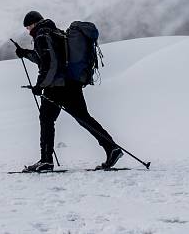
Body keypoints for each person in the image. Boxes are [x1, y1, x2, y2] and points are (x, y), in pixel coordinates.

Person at [15, 10, 123, 172]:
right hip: (71, 84)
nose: (28, 31)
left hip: (56, 87)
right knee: (84, 118)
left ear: (34, 24)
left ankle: (46, 160)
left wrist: (40, 86)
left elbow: (50, 65)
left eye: (28, 27)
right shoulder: (56, 32)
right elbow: (46, 59)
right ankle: (112, 148)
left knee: (46, 119)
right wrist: (26, 54)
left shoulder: (42, 36)